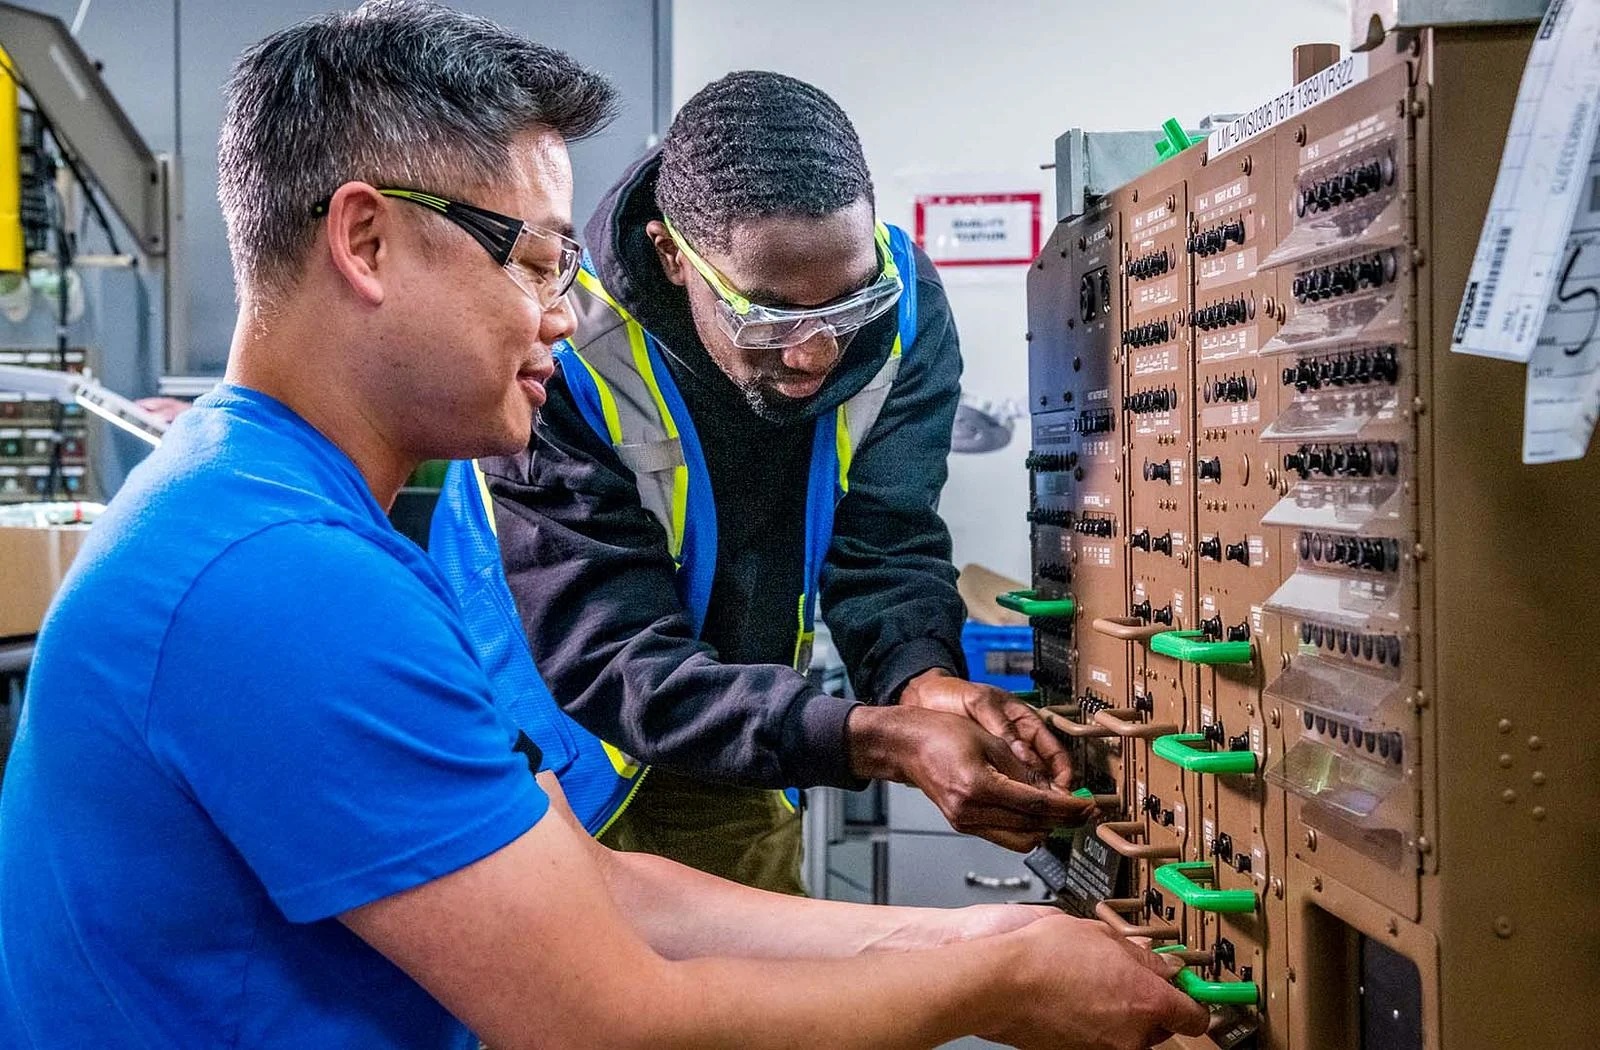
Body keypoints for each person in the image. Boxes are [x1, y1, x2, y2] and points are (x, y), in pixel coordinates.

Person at [0, 4, 1205, 1048]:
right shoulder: (279, 582)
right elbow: (598, 1015)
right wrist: (994, 985)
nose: (565, 314)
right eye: (533, 261)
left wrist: (982, 938)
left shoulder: (268, 508)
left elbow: (600, 895)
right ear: (366, 242)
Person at [447, 69, 1092, 893]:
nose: (815, 353)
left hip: (738, 728)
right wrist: (876, 741)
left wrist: (920, 681)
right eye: (769, 316)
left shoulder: (902, 308)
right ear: (673, 256)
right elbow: (610, 654)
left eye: (846, 307)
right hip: (541, 747)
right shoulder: (562, 347)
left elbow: (888, 540)